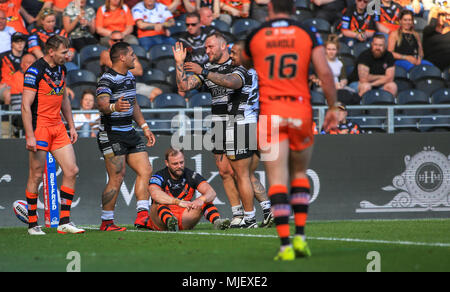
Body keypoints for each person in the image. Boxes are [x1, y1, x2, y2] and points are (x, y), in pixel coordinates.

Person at [241, 0, 339, 260]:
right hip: (299, 111)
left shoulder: (256, 34)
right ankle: (301, 238)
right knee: (298, 173)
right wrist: (333, 107)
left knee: (276, 179)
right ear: (295, 9)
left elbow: (243, 60)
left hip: (270, 114)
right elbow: (326, 74)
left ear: (270, 8)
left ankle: (284, 246)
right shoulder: (307, 31)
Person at [183, 38, 274, 228]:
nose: (232, 56)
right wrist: (180, 64)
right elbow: (185, 86)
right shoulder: (245, 68)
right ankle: (247, 214)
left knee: (243, 174)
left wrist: (205, 72)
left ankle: (252, 216)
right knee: (232, 173)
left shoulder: (241, 69)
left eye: (234, 53)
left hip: (239, 122)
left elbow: (232, 82)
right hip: (226, 123)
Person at [21, 35, 84, 235]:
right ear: (51, 52)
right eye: (64, 52)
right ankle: (33, 224)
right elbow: (25, 105)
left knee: (72, 170)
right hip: (40, 127)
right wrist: (30, 135)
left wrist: (71, 125)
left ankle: (64, 221)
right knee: (36, 175)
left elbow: (63, 97)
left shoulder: (61, 69)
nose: (68, 55)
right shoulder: (34, 71)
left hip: (57, 127)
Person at [96, 41, 156, 231]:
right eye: (131, 54)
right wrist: (114, 106)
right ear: (122, 57)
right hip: (111, 133)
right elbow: (102, 104)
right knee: (116, 177)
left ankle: (142, 216)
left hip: (129, 131)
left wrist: (144, 126)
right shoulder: (106, 79)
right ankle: (107, 222)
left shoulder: (129, 76)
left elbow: (133, 103)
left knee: (146, 170)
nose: (134, 57)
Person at [147, 148, 230, 231]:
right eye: (175, 164)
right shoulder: (159, 176)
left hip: (183, 217)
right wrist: (177, 202)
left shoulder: (191, 175)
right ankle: (170, 222)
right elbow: (155, 194)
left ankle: (218, 222)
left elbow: (211, 192)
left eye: (181, 162)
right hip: (161, 221)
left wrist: (201, 199)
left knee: (205, 200)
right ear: (167, 163)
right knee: (159, 202)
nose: (179, 166)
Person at [99, 30, 162, 101]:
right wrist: (128, 66)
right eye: (115, 40)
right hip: (112, 86)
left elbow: (139, 71)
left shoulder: (131, 54)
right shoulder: (105, 54)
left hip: (130, 84)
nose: (118, 42)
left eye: (121, 40)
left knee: (157, 93)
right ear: (110, 42)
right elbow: (117, 69)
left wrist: (123, 67)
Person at [0, 32, 26, 105]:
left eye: (22, 41)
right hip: (7, 87)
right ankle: (8, 116)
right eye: (17, 42)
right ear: (12, 43)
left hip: (23, 87)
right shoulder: (3, 57)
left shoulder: (28, 57)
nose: (20, 44)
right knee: (9, 94)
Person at [422, 6, 450, 70]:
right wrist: (439, 11)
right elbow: (432, 25)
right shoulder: (428, 31)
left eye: (443, 15)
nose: (442, 18)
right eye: (439, 15)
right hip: (432, 64)